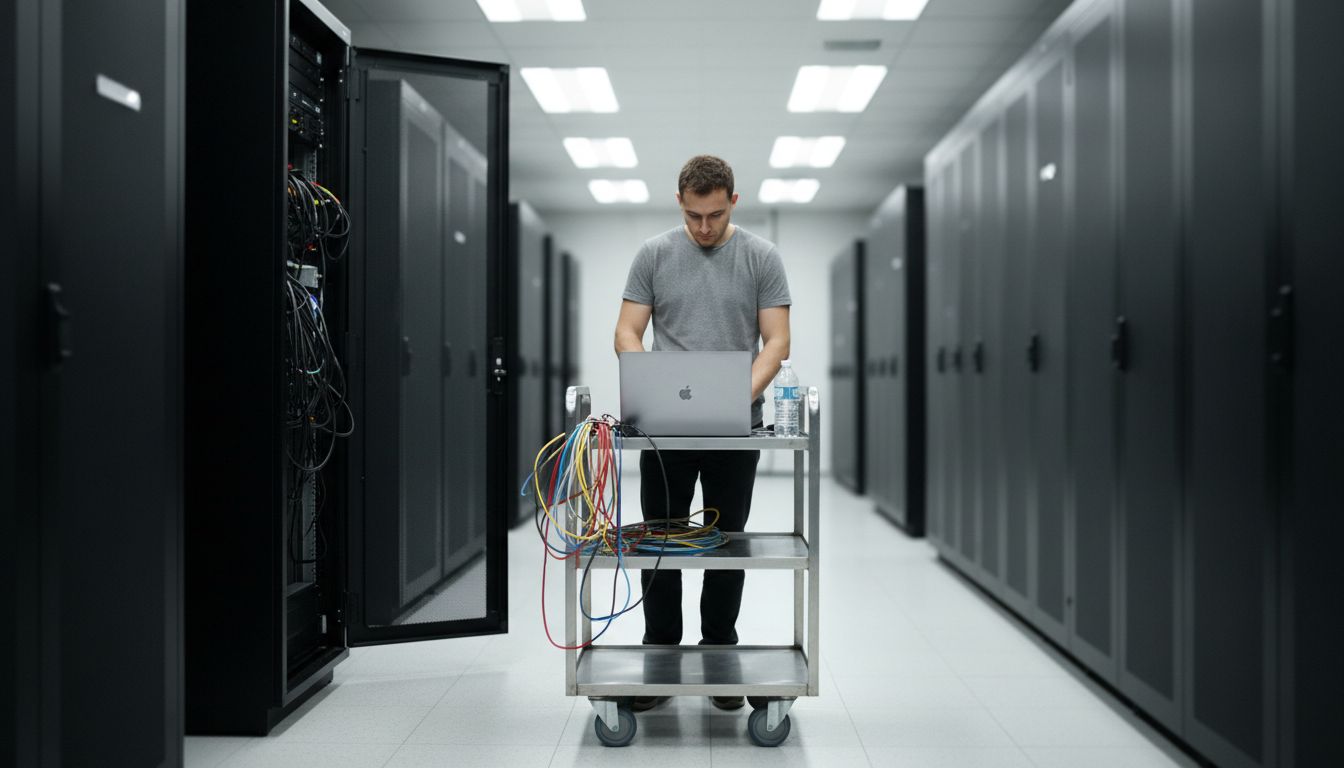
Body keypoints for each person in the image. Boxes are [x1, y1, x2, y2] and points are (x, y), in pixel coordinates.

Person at [612, 154, 792, 711]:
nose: (704, 228)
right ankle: (660, 653)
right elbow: (626, 330)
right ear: (680, 204)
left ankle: (719, 653)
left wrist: (734, 398)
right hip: (665, 428)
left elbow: (777, 343)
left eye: (714, 215)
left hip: (736, 428)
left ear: (733, 201)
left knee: (725, 540)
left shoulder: (762, 257)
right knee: (660, 539)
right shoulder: (655, 254)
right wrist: (649, 381)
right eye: (694, 216)